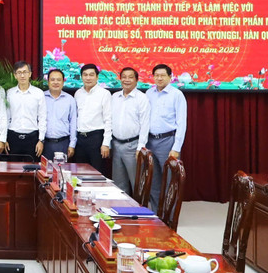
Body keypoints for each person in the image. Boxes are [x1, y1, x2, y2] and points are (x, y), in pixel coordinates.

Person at [146, 64, 187, 209]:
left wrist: (176, 147)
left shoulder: (177, 95)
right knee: (153, 180)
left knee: (170, 180)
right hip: (150, 141)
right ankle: (157, 213)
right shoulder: (149, 93)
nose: (159, 78)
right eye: (156, 75)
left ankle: (169, 215)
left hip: (168, 142)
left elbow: (182, 123)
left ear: (170, 77)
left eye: (162, 75)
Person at [111, 67, 150, 196]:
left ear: (136, 80)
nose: (126, 80)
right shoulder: (114, 97)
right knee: (118, 184)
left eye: (130, 77)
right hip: (116, 145)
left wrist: (141, 147)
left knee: (137, 182)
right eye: (124, 77)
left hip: (133, 146)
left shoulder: (142, 98)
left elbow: (145, 123)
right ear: (120, 79)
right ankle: (121, 212)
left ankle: (141, 212)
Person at [74, 63, 112, 176]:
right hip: (80, 139)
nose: (88, 78)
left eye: (91, 75)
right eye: (85, 75)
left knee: (97, 173)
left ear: (97, 77)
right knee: (80, 172)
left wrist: (106, 143)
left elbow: (108, 119)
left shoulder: (104, 94)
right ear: (81, 77)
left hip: (96, 139)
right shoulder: (78, 93)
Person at [5, 61, 46, 160]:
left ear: (30, 74)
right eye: (19, 73)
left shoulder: (38, 93)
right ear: (15, 75)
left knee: (32, 172)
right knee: (13, 171)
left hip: (32, 138)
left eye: (25, 72)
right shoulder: (10, 93)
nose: (22, 75)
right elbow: (6, 117)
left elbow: (42, 118)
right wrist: (4, 139)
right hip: (13, 137)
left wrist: (41, 140)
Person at [42, 69, 77, 162]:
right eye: (52, 80)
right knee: (44, 173)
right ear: (48, 81)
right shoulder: (41, 97)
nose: (55, 82)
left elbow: (73, 123)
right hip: (44, 143)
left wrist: (72, 144)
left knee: (62, 173)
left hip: (63, 143)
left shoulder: (70, 99)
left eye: (58, 80)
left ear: (63, 81)